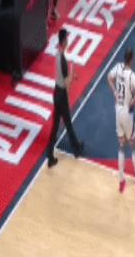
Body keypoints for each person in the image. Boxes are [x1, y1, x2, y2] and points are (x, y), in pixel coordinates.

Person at [107, 47, 135, 193]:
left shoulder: (117, 67)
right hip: (127, 114)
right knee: (134, 146)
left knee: (121, 145)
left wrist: (115, 92)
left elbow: (108, 77)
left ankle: (121, 181)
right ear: (132, 59)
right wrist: (133, 103)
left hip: (117, 111)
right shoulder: (131, 75)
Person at [46, 28, 85, 167]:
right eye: (67, 39)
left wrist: (71, 74)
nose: (68, 41)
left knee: (56, 125)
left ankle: (50, 154)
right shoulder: (63, 60)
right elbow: (67, 82)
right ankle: (77, 150)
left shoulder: (58, 54)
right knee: (67, 123)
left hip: (56, 92)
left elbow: (63, 75)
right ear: (63, 41)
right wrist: (72, 72)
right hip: (61, 95)